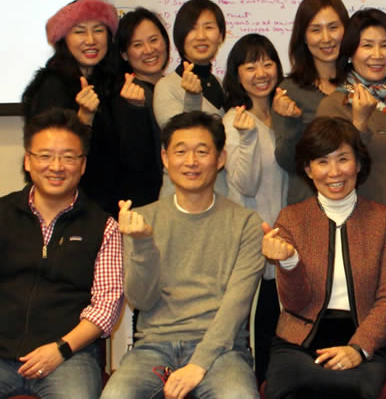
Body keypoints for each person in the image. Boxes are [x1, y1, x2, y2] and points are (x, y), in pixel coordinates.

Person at [101, 111, 264, 399]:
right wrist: (142, 244)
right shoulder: (141, 219)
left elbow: (236, 306)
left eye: (202, 151)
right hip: (153, 348)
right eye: (180, 152)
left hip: (222, 350)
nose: (191, 162)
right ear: (165, 158)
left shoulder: (246, 223)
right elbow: (141, 300)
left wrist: (198, 364)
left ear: (220, 158)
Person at [264, 116, 386, 399]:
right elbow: (294, 304)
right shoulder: (291, 219)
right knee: (291, 386)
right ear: (308, 169)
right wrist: (289, 262)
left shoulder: (384, 220)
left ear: (358, 164)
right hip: (298, 340)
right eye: (322, 162)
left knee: (350, 390)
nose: (334, 172)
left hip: (361, 336)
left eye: (343, 159)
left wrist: (358, 348)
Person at [0, 108, 123, 398]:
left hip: (69, 356)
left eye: (68, 157)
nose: (56, 167)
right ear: (28, 161)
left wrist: (61, 349)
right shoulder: (2, 213)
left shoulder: (103, 226)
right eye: (45, 156)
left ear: (82, 165)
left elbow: (106, 305)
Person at [317, 8, 386, 262]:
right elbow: (336, 175)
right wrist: (359, 123)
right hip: (364, 234)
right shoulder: (333, 106)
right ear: (350, 53)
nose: (377, 55)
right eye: (367, 45)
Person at [221, 33, 288, 383]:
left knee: (284, 337)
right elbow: (244, 185)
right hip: (255, 248)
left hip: (287, 244)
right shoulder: (235, 121)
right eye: (250, 66)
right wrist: (246, 138)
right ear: (237, 74)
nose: (261, 73)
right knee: (260, 337)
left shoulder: (283, 114)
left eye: (267, 63)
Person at [21, 0, 122, 215]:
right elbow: (50, 158)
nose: (91, 40)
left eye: (98, 30)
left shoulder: (109, 82)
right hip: (70, 210)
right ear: (64, 39)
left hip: (108, 206)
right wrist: (84, 117)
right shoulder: (52, 85)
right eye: (79, 32)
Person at [272, 0, 349, 206]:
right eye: (316, 30)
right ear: (304, 37)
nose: (326, 38)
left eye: (333, 27)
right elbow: (287, 162)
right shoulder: (289, 90)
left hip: (359, 206)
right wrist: (292, 122)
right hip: (309, 207)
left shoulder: (361, 84)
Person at [153, 0, 227, 197]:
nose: (201, 36)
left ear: (221, 35)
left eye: (209, 27)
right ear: (180, 37)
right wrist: (192, 98)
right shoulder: (166, 86)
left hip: (218, 196)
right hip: (180, 198)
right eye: (193, 28)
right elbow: (182, 138)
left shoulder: (220, 84)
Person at [112, 7, 170, 207]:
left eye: (154, 40)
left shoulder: (175, 87)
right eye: (137, 44)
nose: (149, 50)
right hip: (145, 205)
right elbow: (134, 161)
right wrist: (135, 111)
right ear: (124, 54)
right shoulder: (123, 96)